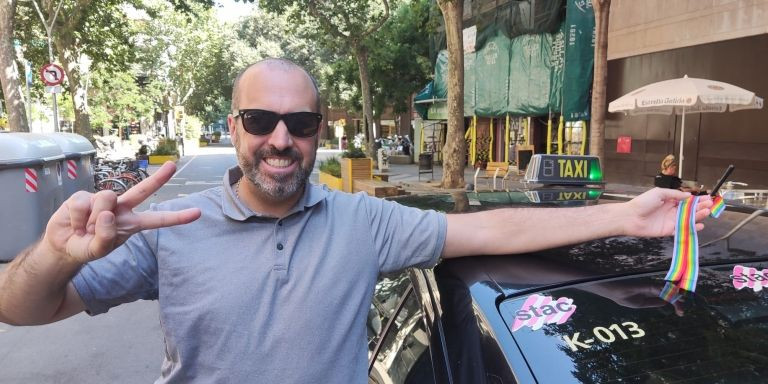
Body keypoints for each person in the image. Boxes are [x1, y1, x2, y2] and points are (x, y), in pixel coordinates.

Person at [0, 58, 713, 383]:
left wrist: (629, 213)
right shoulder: (168, 224)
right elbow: (21, 309)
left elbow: (495, 231)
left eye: (301, 122)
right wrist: (57, 254)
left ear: (318, 134)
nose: (281, 139)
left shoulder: (360, 221)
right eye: (261, 120)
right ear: (234, 127)